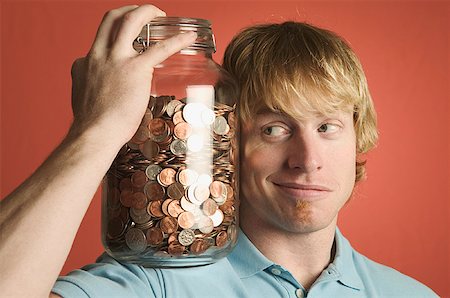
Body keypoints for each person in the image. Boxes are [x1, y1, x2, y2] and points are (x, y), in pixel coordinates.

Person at [0, 4, 438, 298]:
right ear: (225, 144)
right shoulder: (153, 283)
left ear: (357, 137)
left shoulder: (411, 295)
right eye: (274, 128)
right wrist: (97, 129)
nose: (307, 159)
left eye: (327, 127)